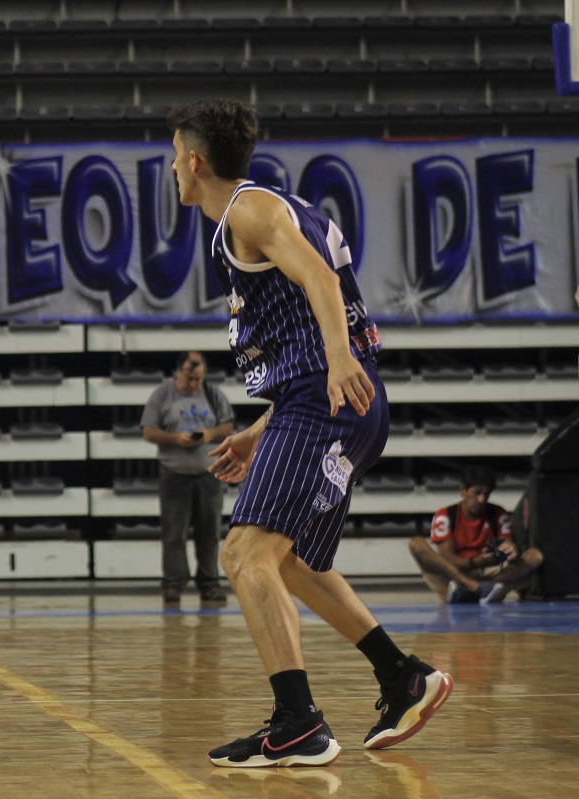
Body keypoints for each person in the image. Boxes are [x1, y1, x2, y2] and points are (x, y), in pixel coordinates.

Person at [169, 98, 453, 768]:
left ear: (193, 160)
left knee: (242, 554)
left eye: (172, 157)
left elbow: (321, 279)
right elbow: (305, 321)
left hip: (331, 395)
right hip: (333, 400)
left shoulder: (248, 208)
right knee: (289, 561)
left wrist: (338, 358)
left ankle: (297, 721)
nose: (172, 169)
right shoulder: (271, 210)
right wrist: (260, 430)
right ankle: (401, 676)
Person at [140, 351, 235, 605]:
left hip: (209, 473)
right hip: (173, 473)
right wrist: (175, 439)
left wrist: (209, 434)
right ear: (177, 372)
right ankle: (173, 584)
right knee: (174, 533)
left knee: (210, 532)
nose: (194, 384)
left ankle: (210, 583)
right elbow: (148, 430)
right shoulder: (162, 395)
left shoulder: (213, 394)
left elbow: (228, 427)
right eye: (189, 378)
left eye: (198, 379)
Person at [410, 465, 543, 604]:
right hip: (455, 576)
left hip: (488, 573)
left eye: (486, 494)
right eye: (477, 493)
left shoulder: (498, 513)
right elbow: (447, 558)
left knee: (535, 556)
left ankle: (485, 588)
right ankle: (471, 586)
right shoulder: (445, 516)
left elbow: (507, 544)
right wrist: (475, 561)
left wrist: (512, 551)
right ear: (463, 490)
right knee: (416, 544)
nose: (482, 499)